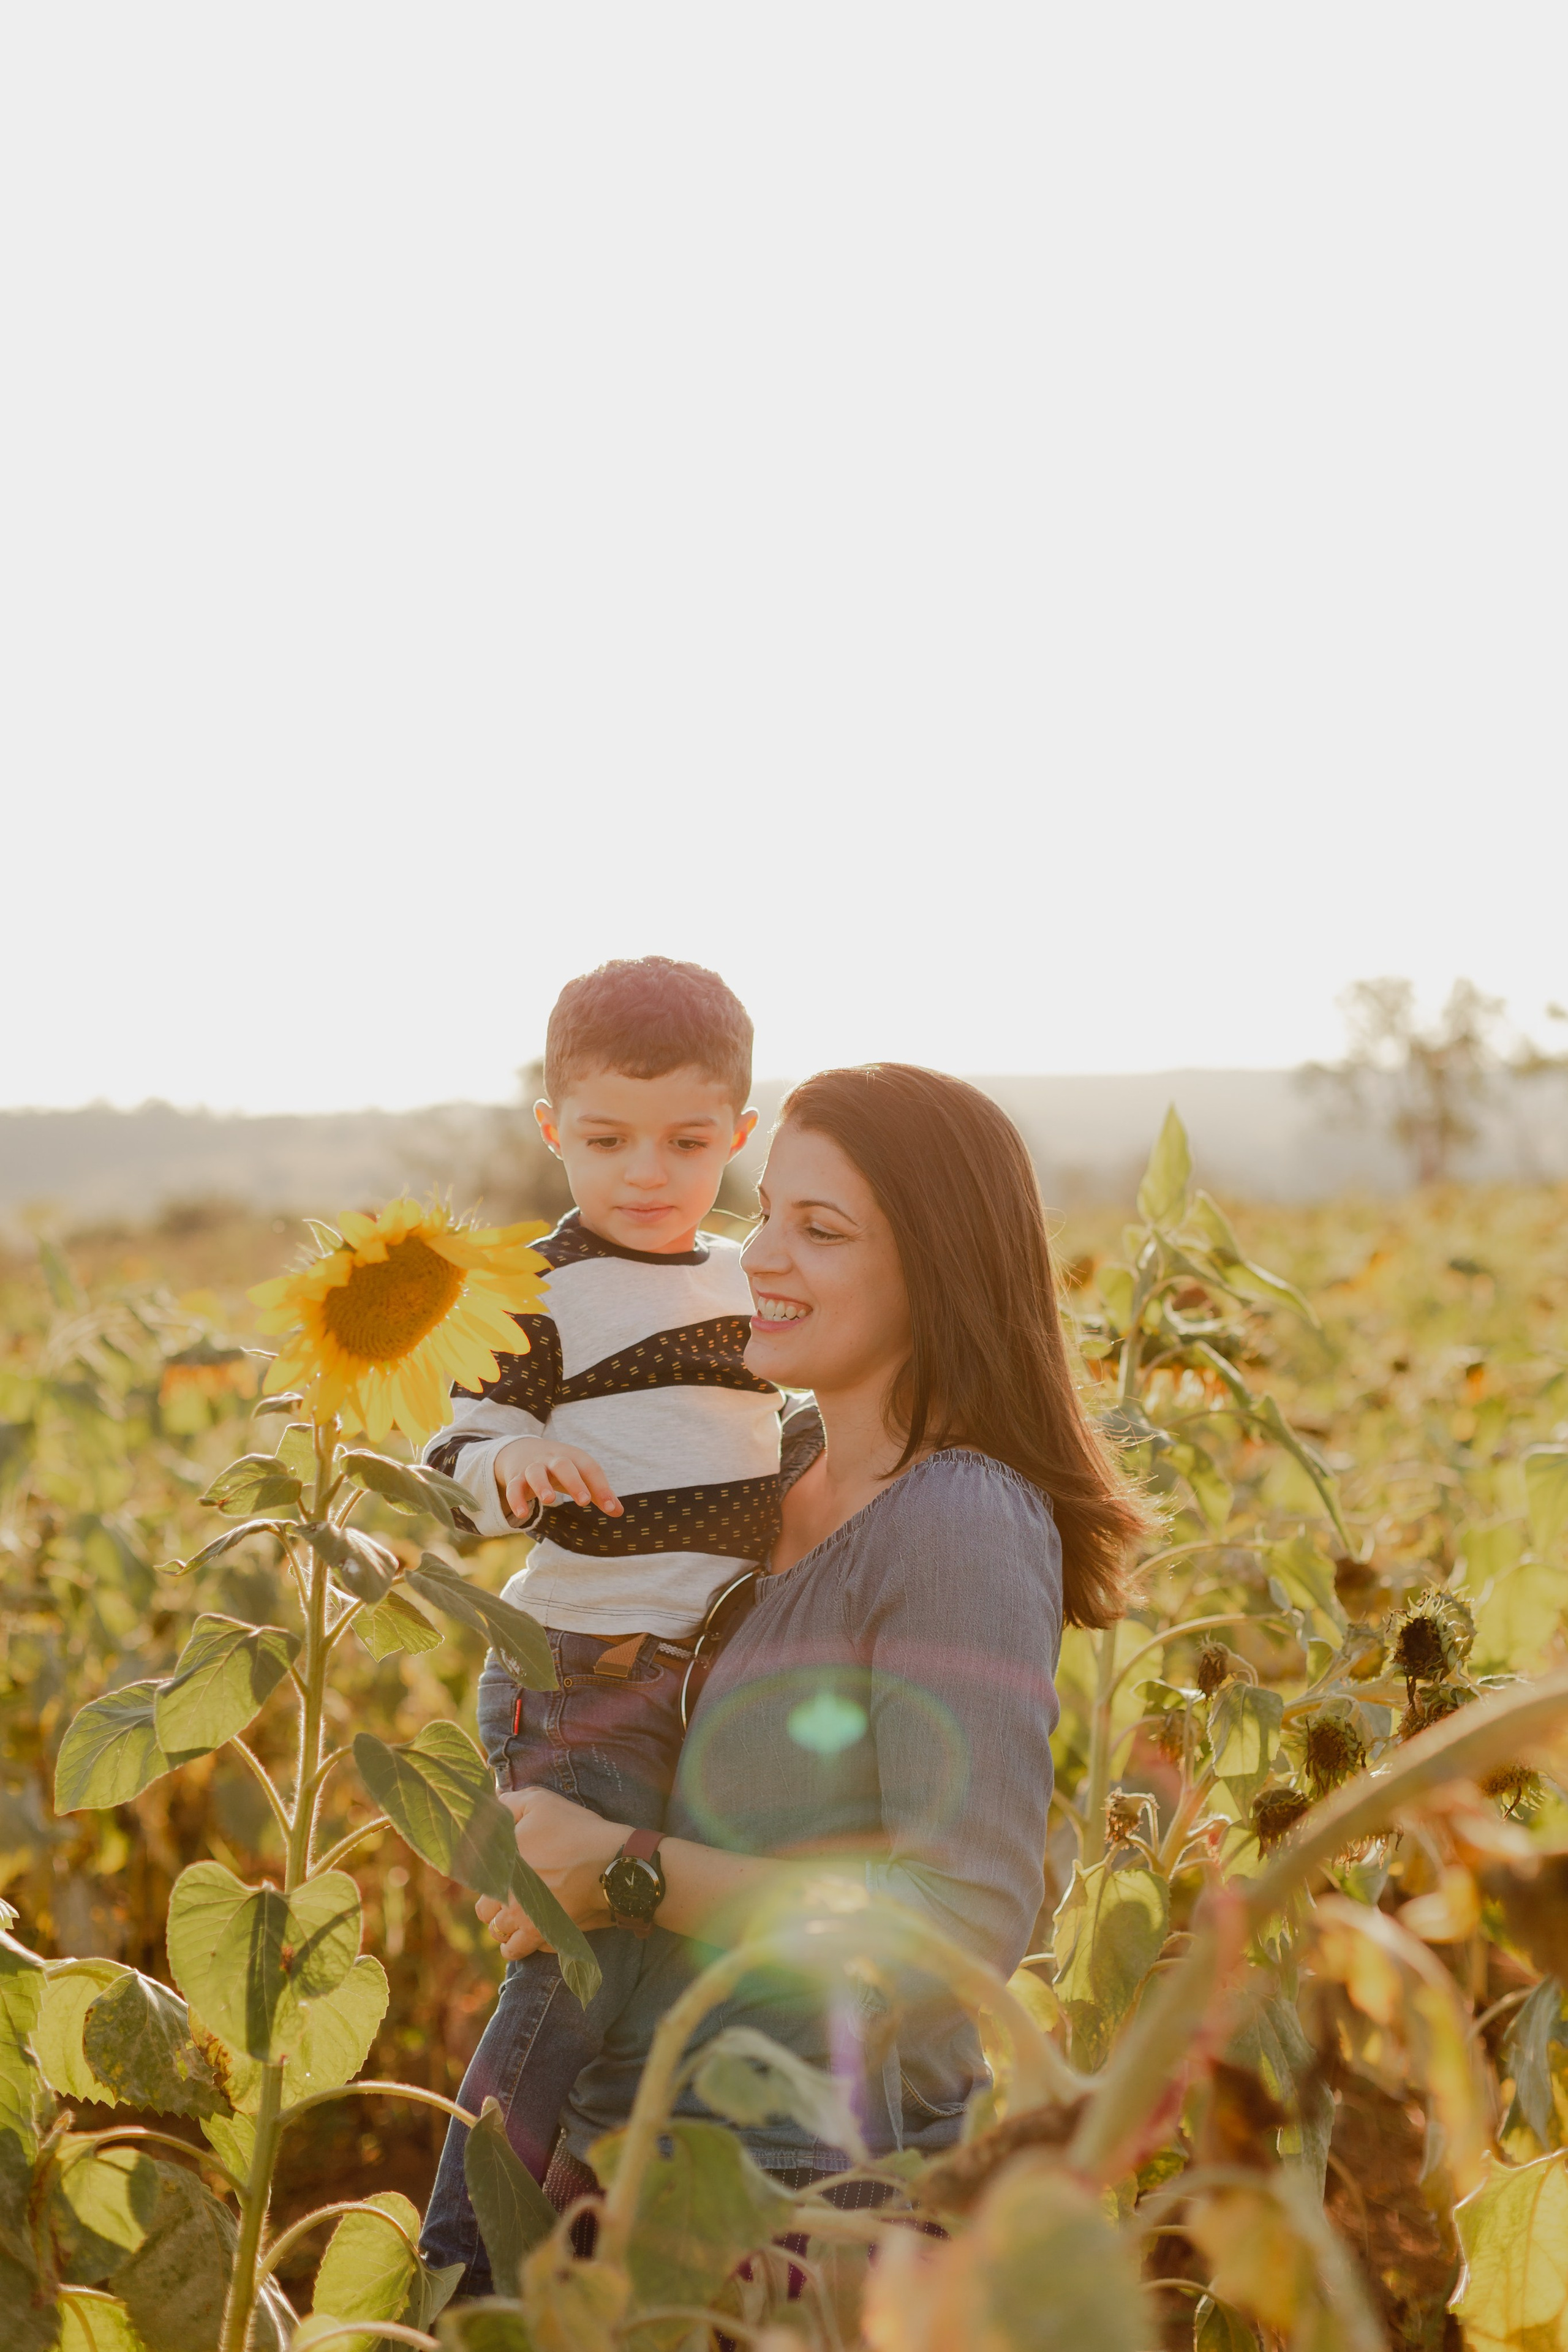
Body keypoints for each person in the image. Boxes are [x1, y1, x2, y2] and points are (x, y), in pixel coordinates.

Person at [475, 1063, 1153, 2211]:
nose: (762, 1257)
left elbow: (962, 1922)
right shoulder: (764, 1462)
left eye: (822, 1230)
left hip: (819, 2202)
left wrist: (627, 1875)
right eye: (767, 1211)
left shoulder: (958, 1522)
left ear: (936, 1271)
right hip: (644, 2161)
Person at [419, 956, 783, 2286]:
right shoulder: (539, 1289)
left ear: (740, 1136)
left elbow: (787, 1420)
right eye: (607, 1139)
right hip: (572, 1673)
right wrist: (506, 1464)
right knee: (570, 1975)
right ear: (551, 1129)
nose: (647, 1172)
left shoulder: (749, 1280)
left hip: (706, 1689)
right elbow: (457, 1435)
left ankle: (587, 2266)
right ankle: (459, 2271)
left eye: (688, 1142)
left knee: (655, 1991)